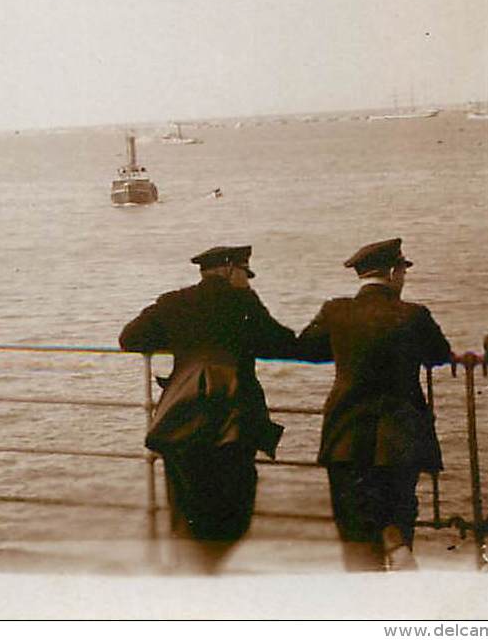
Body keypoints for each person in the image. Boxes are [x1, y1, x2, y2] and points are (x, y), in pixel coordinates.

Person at [119, 245, 299, 573]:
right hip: (231, 424)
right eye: (246, 272)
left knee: (185, 511)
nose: (248, 280)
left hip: (180, 422)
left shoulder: (174, 302)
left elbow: (130, 338)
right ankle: (208, 577)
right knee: (234, 510)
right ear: (230, 269)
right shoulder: (244, 304)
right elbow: (284, 342)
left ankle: (191, 582)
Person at [297, 237, 452, 571]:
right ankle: (398, 558)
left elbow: (308, 349)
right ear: (394, 272)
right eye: (403, 271)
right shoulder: (414, 315)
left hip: (345, 440)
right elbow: (439, 355)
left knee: (355, 534)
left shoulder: (335, 311)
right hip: (400, 440)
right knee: (397, 520)